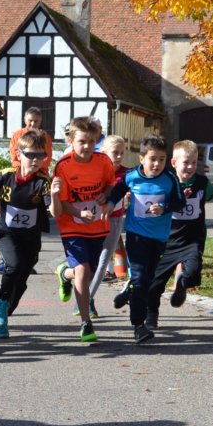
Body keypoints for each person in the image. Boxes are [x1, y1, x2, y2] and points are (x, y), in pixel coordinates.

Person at [104, 135, 185, 344]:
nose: (157, 164)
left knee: (147, 281)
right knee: (140, 279)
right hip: (136, 236)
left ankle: (129, 293)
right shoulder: (132, 176)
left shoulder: (170, 178)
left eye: (161, 159)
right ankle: (139, 326)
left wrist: (164, 208)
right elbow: (118, 189)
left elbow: (180, 202)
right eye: (152, 159)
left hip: (159, 238)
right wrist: (111, 203)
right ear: (142, 159)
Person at [145, 140, 213, 328]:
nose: (190, 167)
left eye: (194, 162)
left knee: (193, 273)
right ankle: (151, 314)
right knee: (155, 282)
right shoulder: (166, 182)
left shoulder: (201, 182)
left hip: (192, 239)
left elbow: (212, 191)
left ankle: (182, 285)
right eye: (186, 162)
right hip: (167, 240)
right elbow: (149, 196)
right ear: (174, 163)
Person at [50, 116, 115, 343]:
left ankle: (63, 273)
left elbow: (110, 183)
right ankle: (86, 322)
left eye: (91, 141)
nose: (87, 146)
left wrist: (106, 194)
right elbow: (62, 202)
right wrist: (79, 214)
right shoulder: (63, 166)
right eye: (82, 141)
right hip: (72, 225)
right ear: (71, 141)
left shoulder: (103, 161)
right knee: (83, 270)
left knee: (89, 272)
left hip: (97, 225)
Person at [0, 129, 52, 338]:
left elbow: (51, 206)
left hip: (31, 238)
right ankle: (1, 305)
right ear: (18, 154)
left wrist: (55, 199)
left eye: (40, 155)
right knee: (13, 266)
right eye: (30, 155)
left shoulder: (43, 181)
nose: (35, 160)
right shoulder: (7, 174)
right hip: (7, 233)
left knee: (22, 277)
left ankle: (6, 310)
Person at [84, 135, 128, 320]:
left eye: (122, 153)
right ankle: (68, 276)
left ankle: (87, 300)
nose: (119, 157)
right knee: (88, 264)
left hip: (114, 221)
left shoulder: (127, 174)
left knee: (103, 262)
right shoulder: (95, 171)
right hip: (93, 221)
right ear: (103, 153)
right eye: (115, 153)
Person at [9, 107, 54, 173]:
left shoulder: (46, 137)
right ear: (25, 120)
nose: (33, 124)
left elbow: (47, 157)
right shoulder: (17, 135)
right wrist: (26, 168)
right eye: (30, 120)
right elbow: (14, 156)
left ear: (40, 121)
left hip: (40, 172)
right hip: (20, 171)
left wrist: (35, 168)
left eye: (36, 121)